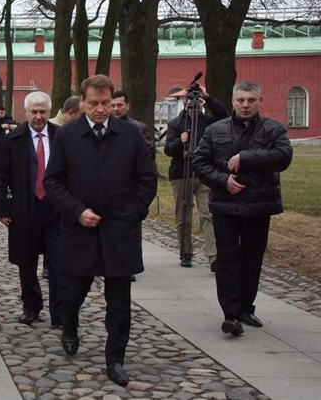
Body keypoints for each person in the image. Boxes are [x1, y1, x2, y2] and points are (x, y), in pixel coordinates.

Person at [43, 74, 157, 387]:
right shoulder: (67, 136)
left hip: (120, 230)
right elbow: (53, 182)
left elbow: (147, 180)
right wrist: (77, 211)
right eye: (93, 103)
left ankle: (115, 357)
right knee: (74, 292)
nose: (101, 109)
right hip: (80, 229)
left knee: (119, 299)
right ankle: (70, 325)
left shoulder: (131, 134)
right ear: (82, 102)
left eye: (106, 103)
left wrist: (132, 212)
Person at [193, 80, 292, 336]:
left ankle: (246, 307)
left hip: (259, 205)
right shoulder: (215, 130)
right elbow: (200, 162)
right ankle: (230, 314)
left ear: (260, 101)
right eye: (241, 100)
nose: (245, 105)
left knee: (252, 259)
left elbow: (283, 156)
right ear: (233, 101)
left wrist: (246, 157)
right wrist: (223, 180)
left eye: (251, 100)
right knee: (227, 260)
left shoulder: (273, 129)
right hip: (225, 205)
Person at [0, 91, 63, 328]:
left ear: (49, 112)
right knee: (27, 262)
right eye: (34, 111)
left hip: (55, 210)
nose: (38, 116)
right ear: (26, 113)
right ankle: (31, 306)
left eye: (43, 111)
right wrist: (2, 208)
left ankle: (59, 311)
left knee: (58, 262)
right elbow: (1, 176)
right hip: (24, 208)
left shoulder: (61, 137)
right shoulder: (13, 139)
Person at [164, 86, 227, 269]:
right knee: (184, 215)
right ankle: (186, 253)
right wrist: (180, 141)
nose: (193, 109)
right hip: (181, 174)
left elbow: (223, 114)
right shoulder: (176, 123)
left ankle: (214, 256)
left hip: (205, 174)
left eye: (197, 105)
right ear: (184, 105)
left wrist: (207, 97)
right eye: (190, 105)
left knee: (208, 214)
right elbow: (168, 149)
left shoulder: (209, 122)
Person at [110, 91, 156, 161]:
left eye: (119, 105)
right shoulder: (105, 127)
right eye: (113, 106)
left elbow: (150, 154)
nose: (116, 109)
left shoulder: (138, 128)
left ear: (127, 106)